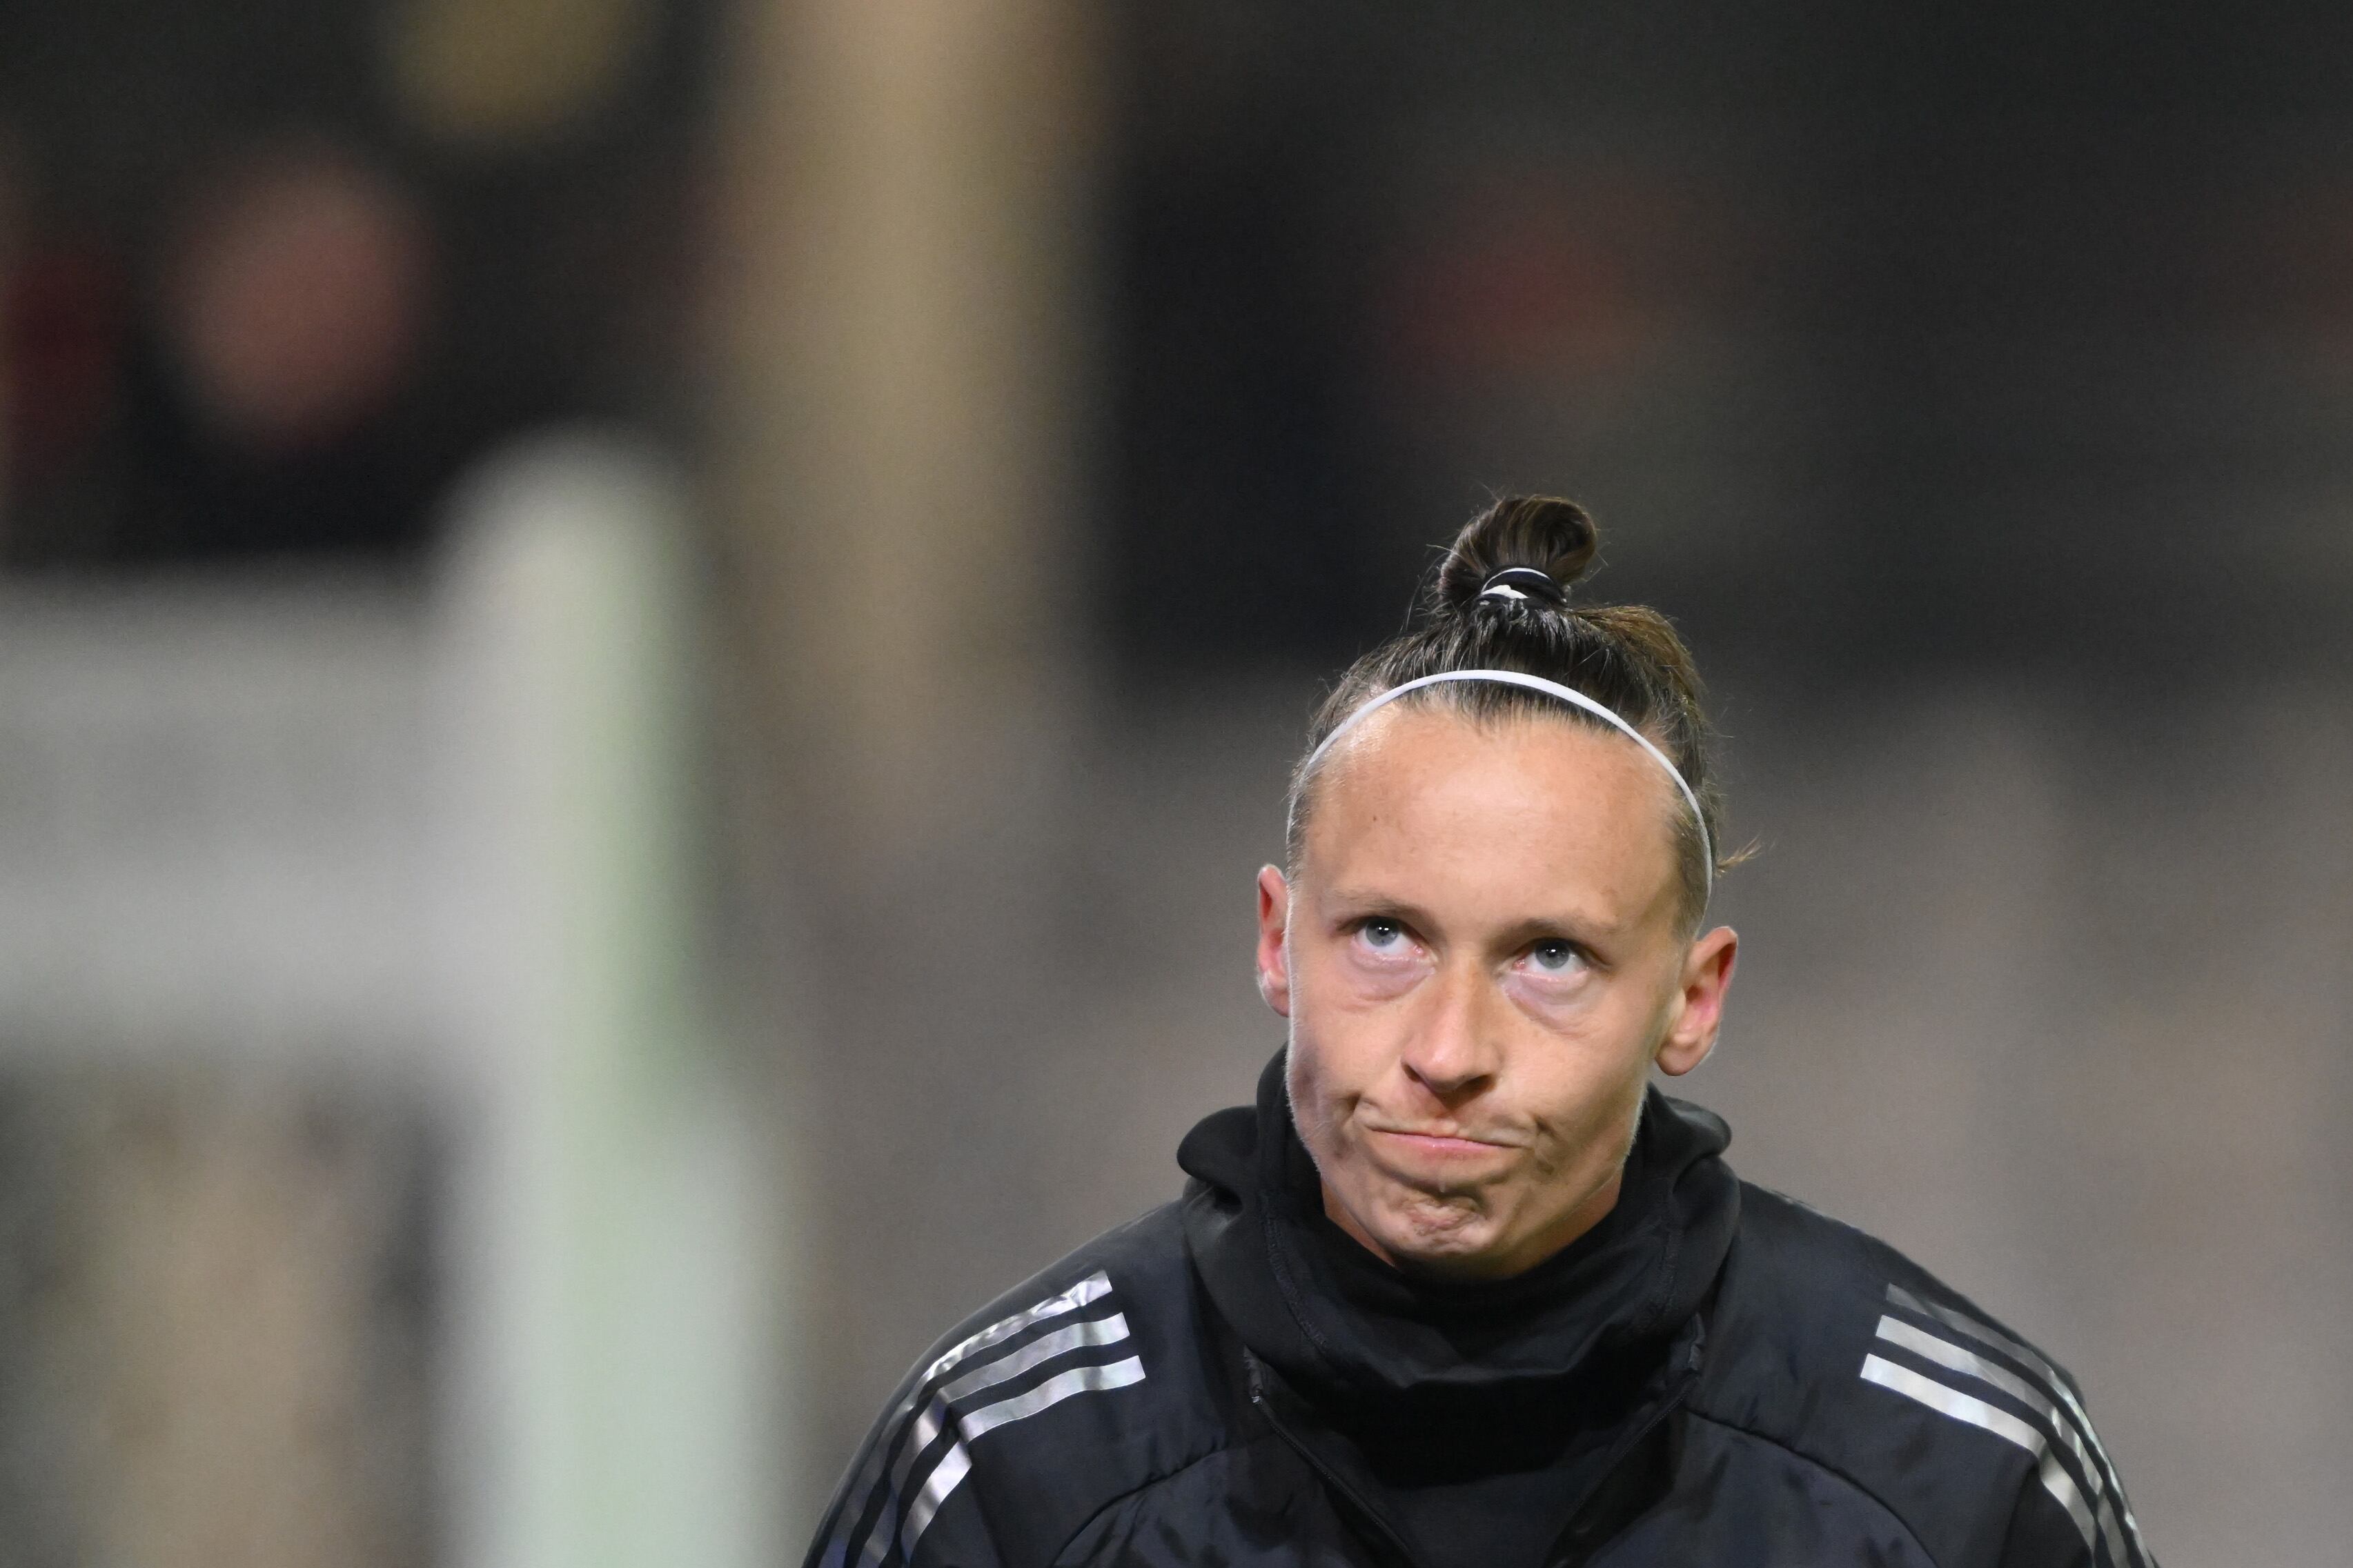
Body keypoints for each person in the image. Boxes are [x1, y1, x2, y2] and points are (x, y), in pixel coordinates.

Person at [805, 496, 2154, 1567]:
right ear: (1278, 943)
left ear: (1692, 1001)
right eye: (1383, 937)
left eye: (1549, 958)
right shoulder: (1011, 1462)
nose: (1447, 1050)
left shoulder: (1957, 1471)